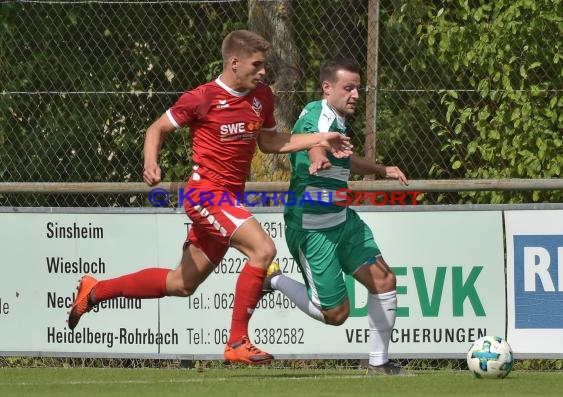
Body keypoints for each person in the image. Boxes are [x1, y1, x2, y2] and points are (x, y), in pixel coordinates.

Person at [67, 30, 352, 365]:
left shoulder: (262, 97)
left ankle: (95, 290)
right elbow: (156, 129)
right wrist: (150, 162)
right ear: (234, 62)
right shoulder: (202, 98)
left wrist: (321, 138)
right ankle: (237, 342)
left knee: (180, 284)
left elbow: (271, 143)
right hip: (206, 195)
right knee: (263, 249)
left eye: (264, 65)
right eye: (257, 64)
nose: (263, 72)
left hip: (229, 201)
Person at [264, 57, 409, 374]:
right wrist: (318, 158)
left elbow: (347, 160)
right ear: (327, 88)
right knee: (336, 315)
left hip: (343, 220)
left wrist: (381, 169)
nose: (355, 94)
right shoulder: (316, 113)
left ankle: (379, 363)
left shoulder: (338, 121)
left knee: (384, 280)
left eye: (358, 87)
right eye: (349, 88)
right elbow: (312, 143)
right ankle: (273, 278)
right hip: (313, 228)